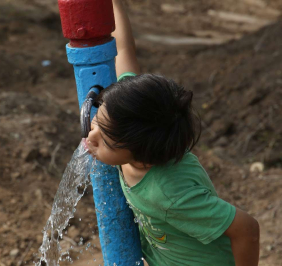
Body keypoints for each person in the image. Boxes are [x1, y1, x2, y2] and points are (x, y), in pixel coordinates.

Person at [85, 1, 260, 265]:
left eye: (104, 139)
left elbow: (247, 229)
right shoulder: (125, 111)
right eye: (96, 122)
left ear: (141, 149)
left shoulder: (169, 193)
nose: (91, 136)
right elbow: (123, 48)